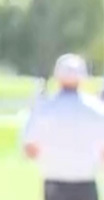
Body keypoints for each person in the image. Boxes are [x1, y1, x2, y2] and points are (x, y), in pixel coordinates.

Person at [22, 53, 104, 200]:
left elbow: (30, 148)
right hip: (86, 182)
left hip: (54, 182)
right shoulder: (96, 109)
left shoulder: (44, 108)